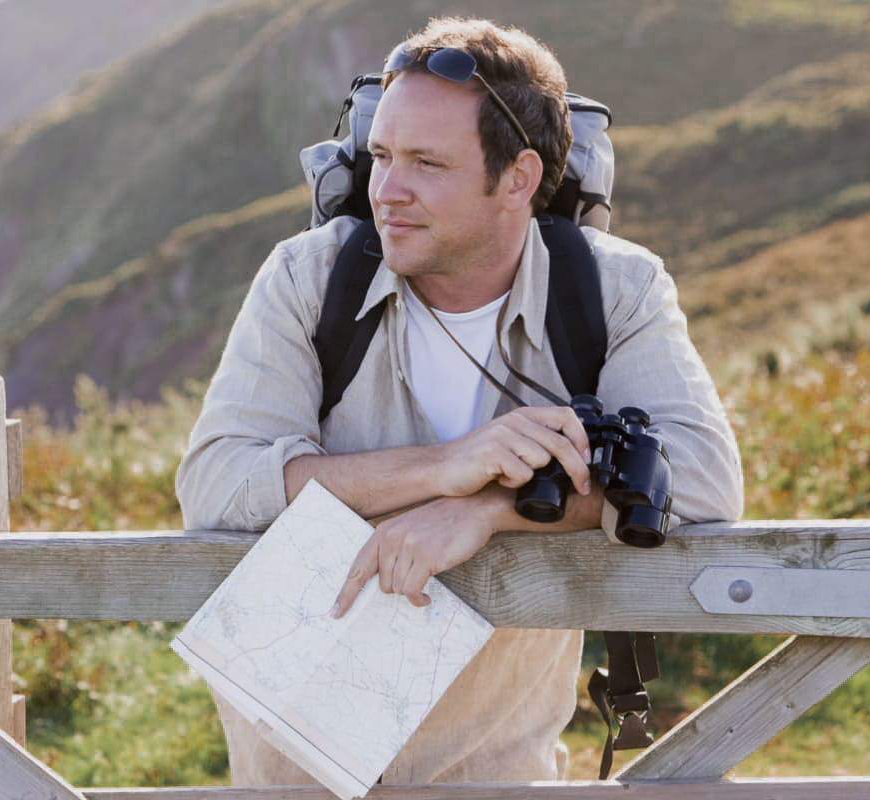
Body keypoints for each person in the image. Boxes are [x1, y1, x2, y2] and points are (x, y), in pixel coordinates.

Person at [176, 16, 744, 786]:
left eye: (426, 163)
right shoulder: (306, 280)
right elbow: (215, 484)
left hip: (499, 766)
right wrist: (445, 467)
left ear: (517, 177)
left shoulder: (615, 290)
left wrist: (486, 512)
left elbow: (705, 482)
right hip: (297, 764)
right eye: (380, 155)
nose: (387, 191)